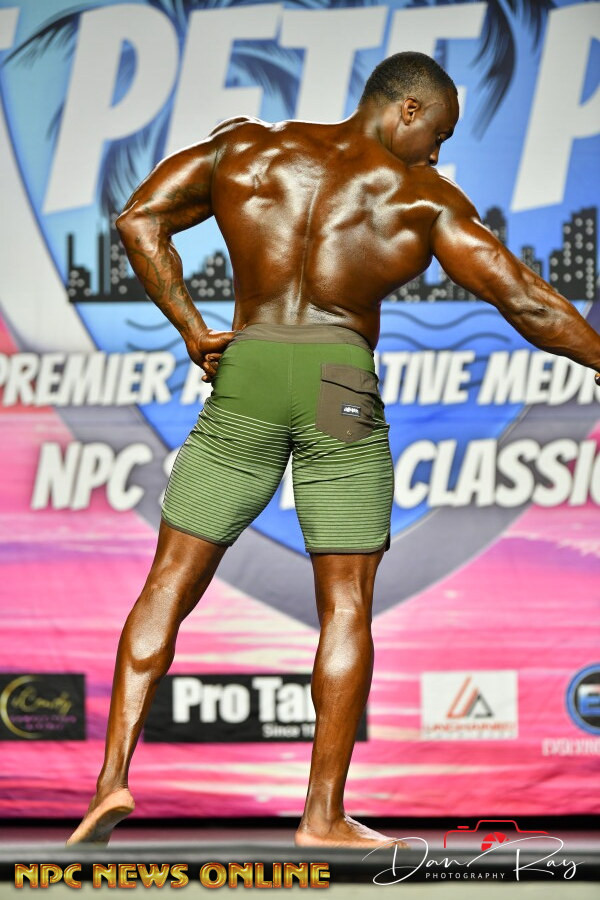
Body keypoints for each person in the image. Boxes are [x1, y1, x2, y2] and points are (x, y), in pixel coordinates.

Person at [67, 51, 600, 849]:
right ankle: (322, 816)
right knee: (346, 601)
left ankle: (111, 780)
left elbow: (138, 218)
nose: (438, 154)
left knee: (168, 581)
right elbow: (524, 300)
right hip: (338, 383)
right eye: (438, 134)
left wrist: (192, 330)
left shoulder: (246, 149)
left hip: (247, 372)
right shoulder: (420, 196)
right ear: (407, 109)